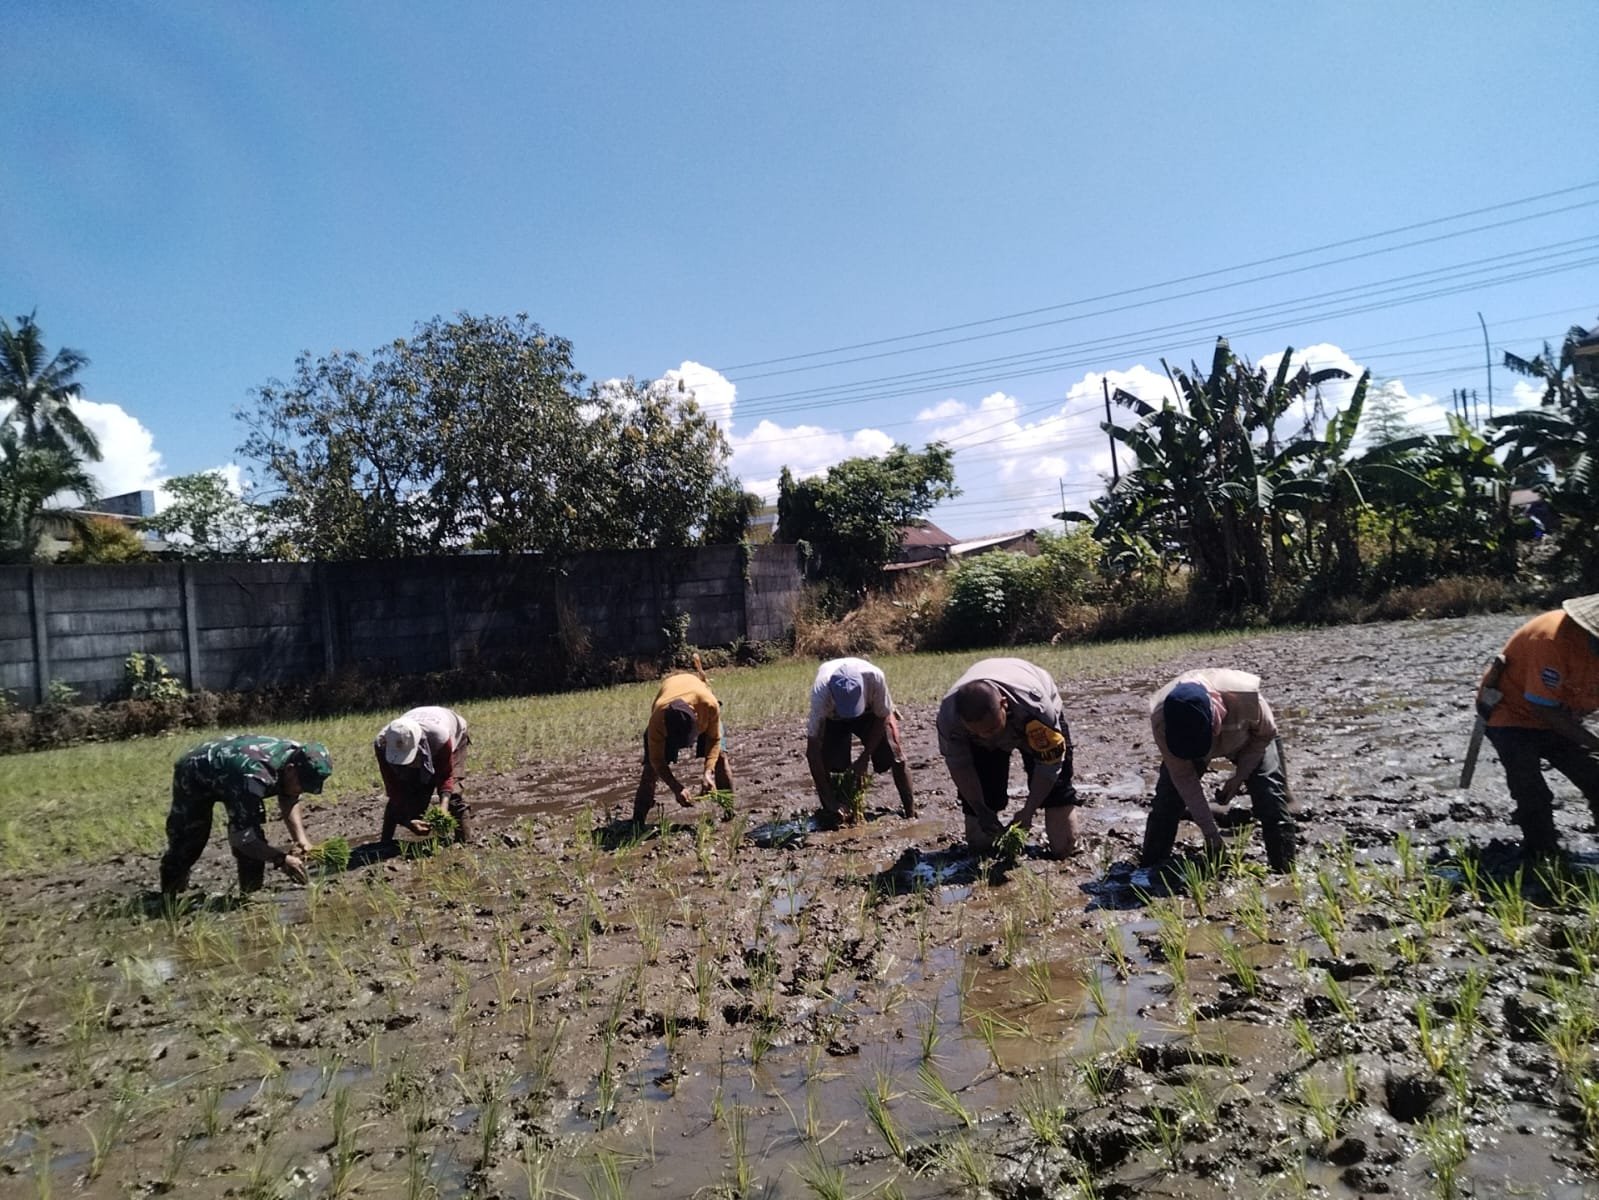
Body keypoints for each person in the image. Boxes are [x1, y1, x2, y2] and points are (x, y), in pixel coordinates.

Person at [1140, 669, 1295, 873]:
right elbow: (1183, 777)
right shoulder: (1161, 719)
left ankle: (1286, 872)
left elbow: (1265, 734)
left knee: (1270, 794)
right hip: (1190, 746)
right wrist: (1211, 834)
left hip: (1247, 738)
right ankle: (1149, 869)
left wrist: (1239, 777)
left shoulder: (1246, 696)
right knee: (1167, 800)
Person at [1480, 594, 1599, 858]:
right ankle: (1541, 853)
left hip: (1562, 713)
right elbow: (1543, 708)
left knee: (1595, 776)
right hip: (1511, 713)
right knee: (1530, 787)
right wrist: (1594, 742)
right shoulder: (1551, 639)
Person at [936, 657, 1078, 858]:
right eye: (979, 732)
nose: (987, 737)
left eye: (992, 729)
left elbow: (1049, 766)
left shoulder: (1036, 708)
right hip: (983, 732)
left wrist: (1028, 811)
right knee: (980, 846)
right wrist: (980, 808)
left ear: (1003, 704)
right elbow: (959, 765)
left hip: (1029, 716)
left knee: (1062, 846)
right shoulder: (949, 719)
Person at [159, 734, 333, 897]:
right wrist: (281, 860)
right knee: (189, 840)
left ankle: (249, 897)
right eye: (302, 785)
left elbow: (290, 796)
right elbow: (243, 839)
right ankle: (169, 897)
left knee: (255, 844)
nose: (302, 790)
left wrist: (301, 840)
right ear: (289, 770)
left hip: (234, 772)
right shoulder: (252, 777)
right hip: (195, 773)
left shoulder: (299, 756)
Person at [805, 657, 916, 826]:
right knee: (831, 762)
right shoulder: (821, 693)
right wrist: (830, 802)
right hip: (834, 719)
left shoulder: (875, 678)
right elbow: (812, 752)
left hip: (871, 713)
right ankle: (833, 811)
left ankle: (911, 813)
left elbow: (882, 717)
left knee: (895, 754)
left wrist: (865, 757)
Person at [634, 668, 734, 823]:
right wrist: (676, 787)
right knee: (650, 770)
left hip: (701, 703)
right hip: (666, 707)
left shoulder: (709, 705)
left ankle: (730, 813)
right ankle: (637, 823)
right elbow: (657, 760)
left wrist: (708, 772)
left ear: (695, 716)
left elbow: (714, 740)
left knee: (721, 757)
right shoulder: (657, 721)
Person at [376, 706, 472, 844]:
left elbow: (445, 776)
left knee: (454, 795)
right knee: (408, 795)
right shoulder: (381, 743)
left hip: (453, 734)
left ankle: (465, 842)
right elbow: (393, 787)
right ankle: (384, 843)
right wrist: (408, 821)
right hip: (422, 730)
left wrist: (443, 808)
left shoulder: (439, 737)